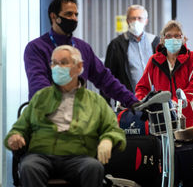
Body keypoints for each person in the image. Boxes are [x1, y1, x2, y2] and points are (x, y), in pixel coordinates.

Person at [4, 45, 126, 187]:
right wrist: (15, 137)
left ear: (79, 67)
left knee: (93, 167)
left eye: (63, 63)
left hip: (79, 157)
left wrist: (108, 140)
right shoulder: (40, 97)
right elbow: (19, 128)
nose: (57, 67)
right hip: (41, 155)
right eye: (54, 63)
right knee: (29, 167)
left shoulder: (95, 101)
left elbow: (114, 129)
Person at [24, 0, 138, 109]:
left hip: (78, 117)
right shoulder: (36, 48)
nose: (74, 18)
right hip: (46, 116)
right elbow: (38, 84)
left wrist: (132, 101)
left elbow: (105, 78)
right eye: (68, 14)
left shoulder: (83, 48)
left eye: (76, 15)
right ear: (54, 17)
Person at [135, 20, 193, 128]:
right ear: (162, 40)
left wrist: (174, 103)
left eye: (177, 35)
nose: (173, 39)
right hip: (163, 120)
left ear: (183, 39)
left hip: (190, 121)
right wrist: (141, 102)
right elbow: (142, 87)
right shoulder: (154, 61)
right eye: (168, 36)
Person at [104, 4, 160, 95]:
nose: (136, 21)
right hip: (129, 101)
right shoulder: (117, 45)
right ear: (127, 21)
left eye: (140, 18)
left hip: (154, 100)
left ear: (146, 21)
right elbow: (108, 77)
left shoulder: (155, 42)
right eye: (133, 18)